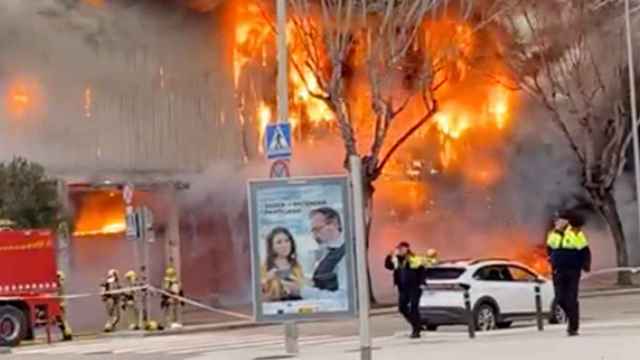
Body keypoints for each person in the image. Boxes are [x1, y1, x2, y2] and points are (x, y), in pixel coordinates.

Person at [546, 211, 591, 336]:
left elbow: (585, 250)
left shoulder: (576, 232)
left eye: (559, 219)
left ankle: (573, 327)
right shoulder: (552, 234)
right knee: (560, 298)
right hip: (558, 270)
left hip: (572, 270)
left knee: (571, 298)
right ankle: (572, 318)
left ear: (566, 221)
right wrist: (551, 259)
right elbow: (549, 248)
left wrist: (586, 265)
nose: (556, 222)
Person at [385, 242, 426, 339]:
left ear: (407, 249)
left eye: (402, 249)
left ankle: (416, 330)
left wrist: (422, 283)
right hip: (403, 288)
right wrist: (389, 256)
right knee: (402, 307)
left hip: (414, 287)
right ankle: (417, 324)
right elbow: (388, 266)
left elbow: (422, 270)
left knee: (414, 307)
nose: (400, 251)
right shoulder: (396, 260)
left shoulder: (413, 259)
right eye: (399, 249)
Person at [261, 227, 304, 302]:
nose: (284, 245)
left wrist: (296, 289)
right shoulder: (264, 267)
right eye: (279, 242)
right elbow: (258, 298)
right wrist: (267, 279)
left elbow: (302, 290)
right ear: (272, 246)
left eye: (287, 241)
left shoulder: (296, 266)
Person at [309, 207, 346, 292]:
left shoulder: (348, 254)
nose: (314, 236)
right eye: (313, 231)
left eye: (317, 229)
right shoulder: (326, 251)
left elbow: (343, 296)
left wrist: (304, 291)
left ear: (334, 224)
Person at [55, 271, 73, 341]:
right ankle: (66, 334)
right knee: (60, 320)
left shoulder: (60, 284)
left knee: (63, 320)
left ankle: (68, 334)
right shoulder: (59, 284)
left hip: (61, 303)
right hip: (60, 302)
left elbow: (61, 294)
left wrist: (62, 303)